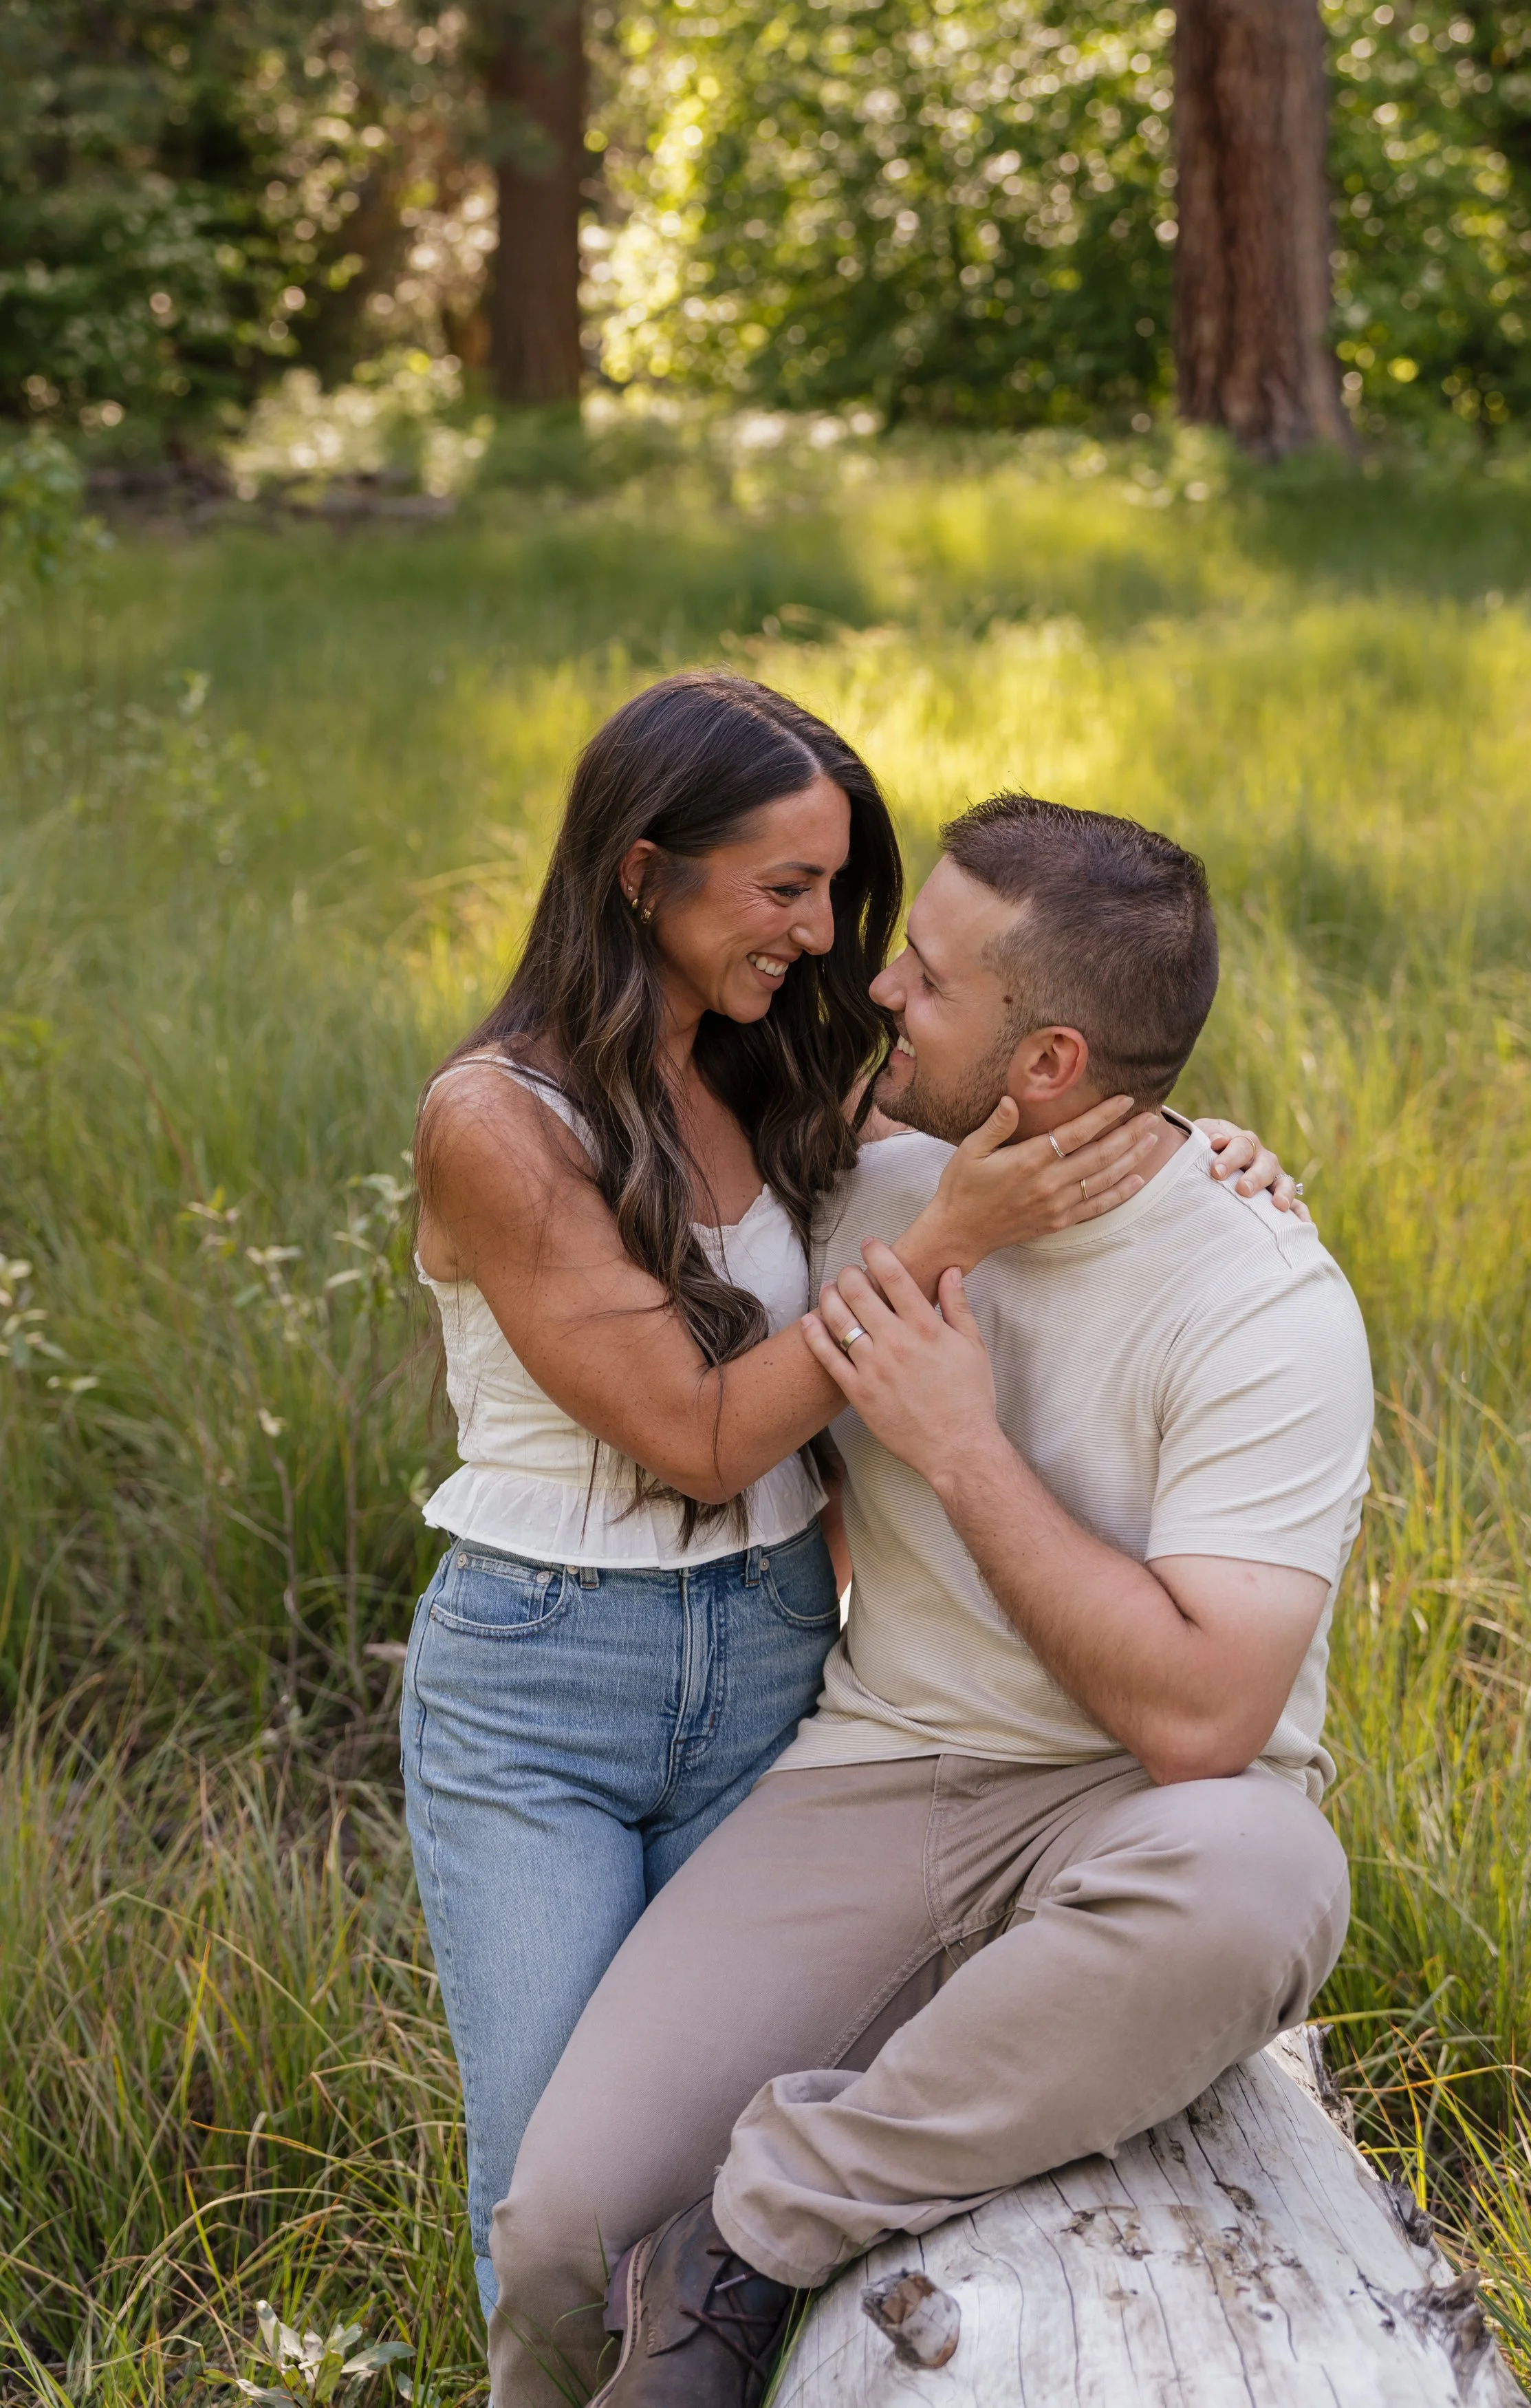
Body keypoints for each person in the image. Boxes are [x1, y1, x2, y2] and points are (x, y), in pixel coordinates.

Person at [404, 680, 1299, 2316]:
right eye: (783, 888)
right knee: (554, 2195)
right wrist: (944, 1251)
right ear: (638, 872)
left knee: (692, 2150)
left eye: (836, 890)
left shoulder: (768, 1082)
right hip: (549, 1682)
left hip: (766, 1652)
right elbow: (697, 1432)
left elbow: (1037, 1099)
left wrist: (1192, 1147)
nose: (827, 940)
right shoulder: (498, 1120)